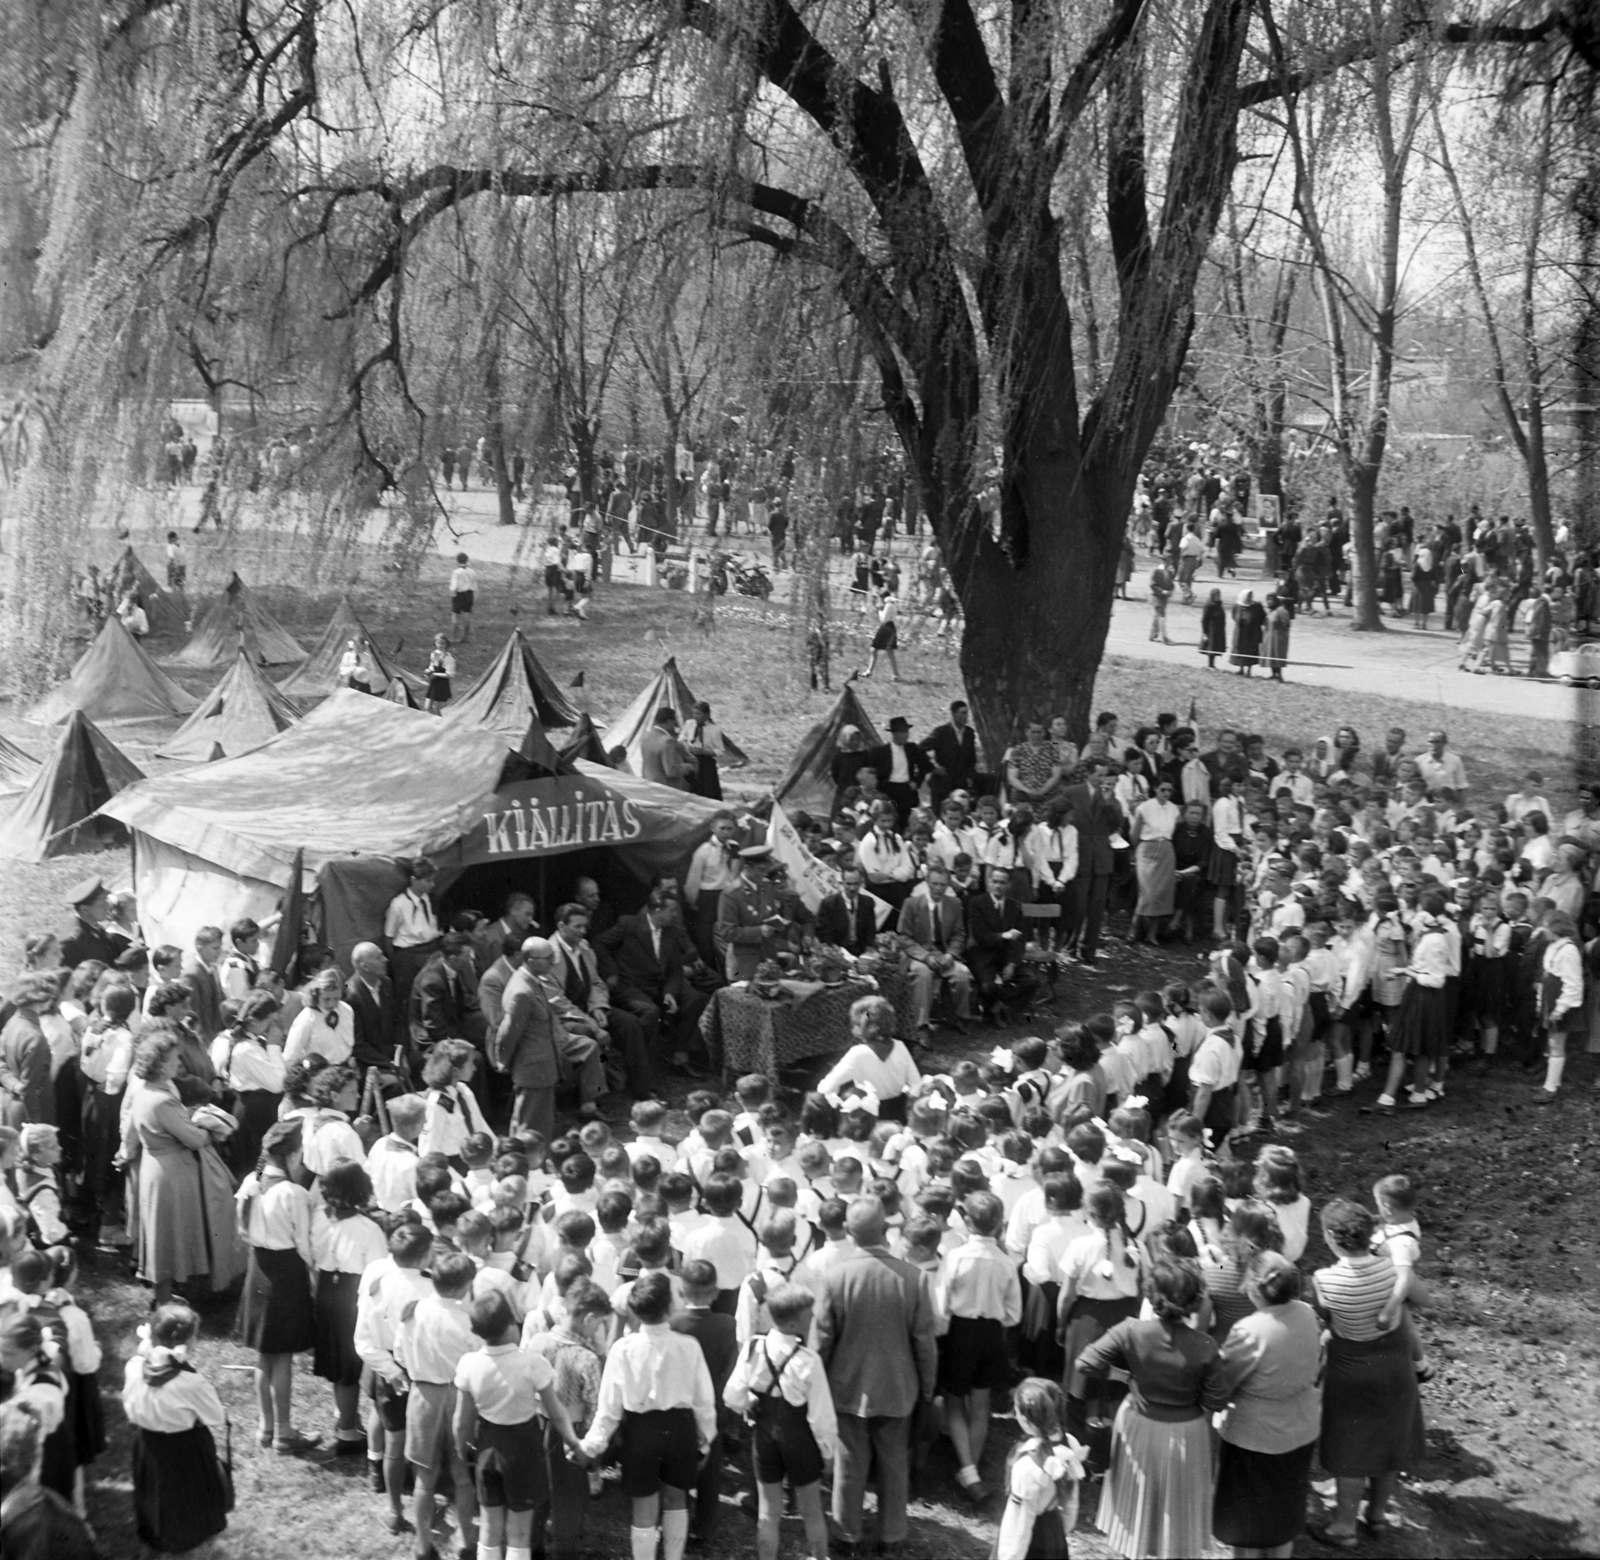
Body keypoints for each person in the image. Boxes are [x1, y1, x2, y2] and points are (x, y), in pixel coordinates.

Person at [813, 1198, 938, 1557]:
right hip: (898, 1388)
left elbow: (820, 1341)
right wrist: (927, 1386)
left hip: (846, 1386)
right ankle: (892, 1536)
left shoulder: (835, 1277)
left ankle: (846, 1535)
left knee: (849, 1464)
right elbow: (925, 1343)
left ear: (848, 1232)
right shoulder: (914, 1278)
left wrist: (815, 1387)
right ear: (885, 1229)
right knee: (895, 1463)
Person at [1075, 1257, 1223, 1559]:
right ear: (1195, 1300)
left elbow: (1084, 1363)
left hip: (1137, 1424)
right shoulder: (1206, 1345)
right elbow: (1216, 1400)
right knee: (1175, 1508)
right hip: (1186, 1433)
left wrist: (1126, 1377)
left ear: (1152, 1293)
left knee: (1135, 1502)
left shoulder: (1130, 1330)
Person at [574, 1269, 717, 1560]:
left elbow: (609, 1409)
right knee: (676, 1500)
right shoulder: (689, 1346)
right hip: (679, 1430)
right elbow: (704, 1401)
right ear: (669, 1306)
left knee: (643, 1508)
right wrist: (706, 1439)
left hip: (640, 1434)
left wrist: (591, 1445)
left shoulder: (622, 1349)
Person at [1311, 1199, 1426, 1547]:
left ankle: (1344, 1527)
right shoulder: (1394, 1270)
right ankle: (1376, 1516)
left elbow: (1326, 1319)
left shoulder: (1324, 1280)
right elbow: (1423, 1297)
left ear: (1332, 1238)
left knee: (1351, 1449)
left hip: (1351, 1371)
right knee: (1389, 1441)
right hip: (1395, 1366)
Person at [453, 1291, 584, 1560]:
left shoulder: (469, 1364)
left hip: (487, 1449)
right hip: (523, 1451)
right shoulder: (532, 1363)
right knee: (519, 1533)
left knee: (489, 1527)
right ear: (511, 1325)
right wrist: (573, 1441)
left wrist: (460, 1447)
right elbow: (557, 1412)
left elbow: (461, 1420)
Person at [1210, 1251, 1323, 1559]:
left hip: (1254, 1436)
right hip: (1300, 1427)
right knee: (1283, 1513)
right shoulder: (1306, 1313)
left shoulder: (1249, 1330)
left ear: (1255, 1288)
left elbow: (1222, 1384)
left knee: (1245, 1525)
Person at [119, 1028, 243, 1305]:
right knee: (169, 1235)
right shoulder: (162, 1100)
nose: (179, 1062)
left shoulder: (146, 1091)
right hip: (171, 1174)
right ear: (161, 1064)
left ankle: (164, 1296)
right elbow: (194, 1138)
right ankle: (164, 1300)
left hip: (157, 1168)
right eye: (175, 1058)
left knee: (162, 1236)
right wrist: (209, 1129)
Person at [723, 1281, 838, 1560]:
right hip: (800, 1439)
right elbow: (821, 1416)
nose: (813, 1317)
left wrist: (751, 1403)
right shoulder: (809, 1360)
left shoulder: (753, 1348)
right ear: (793, 1323)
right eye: (809, 1314)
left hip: (765, 1437)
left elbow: (732, 1396)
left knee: (768, 1512)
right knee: (812, 1511)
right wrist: (827, 1451)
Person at [235, 1120, 321, 1454]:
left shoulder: (251, 1182)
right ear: (293, 1154)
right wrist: (314, 1280)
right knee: (282, 1355)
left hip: (258, 1268)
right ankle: (284, 1432)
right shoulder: (294, 1194)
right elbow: (304, 1246)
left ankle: (265, 1427)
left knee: (264, 1355)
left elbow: (243, 1230)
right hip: (286, 1272)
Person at [121, 1302, 231, 1552]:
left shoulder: (134, 1367)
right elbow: (216, 1416)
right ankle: (188, 1541)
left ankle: (156, 1537)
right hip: (185, 1449)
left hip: (147, 1444)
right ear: (189, 1342)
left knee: (154, 1493)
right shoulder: (190, 1382)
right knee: (188, 1500)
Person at [939, 1190, 1022, 1500]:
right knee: (981, 1403)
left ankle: (969, 1472)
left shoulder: (956, 1257)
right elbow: (1014, 1314)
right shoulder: (1006, 1262)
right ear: (999, 1223)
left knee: (954, 1401)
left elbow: (941, 1304)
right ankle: (970, 1470)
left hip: (961, 1331)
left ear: (967, 1221)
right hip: (992, 1334)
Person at [492, 937, 606, 1142]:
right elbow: (507, 1033)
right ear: (531, 961)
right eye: (548, 957)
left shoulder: (530, 982)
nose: (553, 961)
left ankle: (521, 1155)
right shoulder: (522, 991)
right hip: (533, 1069)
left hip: (539, 1066)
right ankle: (528, 1158)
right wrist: (503, 1061)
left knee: (530, 1123)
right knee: (532, 1128)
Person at [599, 890, 707, 1069]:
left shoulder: (671, 932)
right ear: (658, 911)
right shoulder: (629, 924)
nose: (676, 915)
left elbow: (674, 970)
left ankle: (679, 1054)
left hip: (660, 985)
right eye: (672, 911)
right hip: (631, 985)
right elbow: (600, 943)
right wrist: (611, 971)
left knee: (695, 999)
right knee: (651, 1012)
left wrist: (670, 993)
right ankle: (644, 1065)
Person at [993, 1378, 1086, 1560]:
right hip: (1053, 1530)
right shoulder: (1068, 1445)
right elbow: (1071, 1497)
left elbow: (1020, 1519)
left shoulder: (1028, 1464)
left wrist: (1009, 1556)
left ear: (1025, 1419)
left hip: (1027, 1542)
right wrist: (1062, 1529)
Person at [896, 865, 974, 1035]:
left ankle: (961, 1017)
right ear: (927, 882)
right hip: (919, 955)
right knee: (923, 974)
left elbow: (959, 933)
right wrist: (925, 957)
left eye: (943, 884)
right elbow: (904, 937)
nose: (938, 888)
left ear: (948, 884)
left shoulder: (954, 903)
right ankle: (921, 1026)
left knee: (962, 974)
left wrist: (951, 954)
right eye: (935, 884)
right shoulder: (911, 904)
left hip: (943, 954)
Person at [964, 865, 1038, 1024]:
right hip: (983, 954)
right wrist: (1004, 935)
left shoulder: (1015, 906)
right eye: (995, 881)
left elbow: (1019, 939)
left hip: (1006, 955)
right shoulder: (977, 903)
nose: (998, 886)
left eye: (1002, 882)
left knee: (1031, 981)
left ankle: (1000, 1007)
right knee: (988, 987)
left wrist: (1011, 963)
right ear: (989, 882)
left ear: (1009, 885)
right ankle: (995, 1007)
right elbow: (981, 936)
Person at [384, 858, 442, 1010]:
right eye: (428, 881)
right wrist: (398, 964)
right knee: (409, 998)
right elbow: (388, 938)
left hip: (431, 950)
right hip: (409, 955)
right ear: (414, 880)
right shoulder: (399, 904)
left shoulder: (430, 898)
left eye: (433, 880)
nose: (432, 884)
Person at [1129, 777, 1180, 945]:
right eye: (1163, 789)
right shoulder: (1144, 807)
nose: (1166, 793)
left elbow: (1174, 833)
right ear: (1155, 788)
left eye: (1169, 790)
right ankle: (1133, 930)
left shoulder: (1174, 809)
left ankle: (1152, 934)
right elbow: (1134, 834)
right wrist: (1138, 851)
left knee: (1161, 893)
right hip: (1147, 851)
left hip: (1166, 851)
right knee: (1147, 893)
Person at [923, 700, 980, 808]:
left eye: (966, 713)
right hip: (942, 783)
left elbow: (971, 758)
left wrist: (969, 775)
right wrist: (933, 767)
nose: (965, 716)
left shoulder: (969, 733)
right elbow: (920, 749)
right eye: (962, 713)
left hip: (961, 783)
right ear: (953, 714)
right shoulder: (941, 732)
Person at [817, 862, 880, 956]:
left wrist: (868, 949)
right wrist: (834, 948)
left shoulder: (868, 902)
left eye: (856, 884)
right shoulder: (829, 904)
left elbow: (871, 930)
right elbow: (824, 932)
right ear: (842, 883)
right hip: (837, 951)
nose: (852, 888)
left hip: (861, 950)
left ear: (861, 883)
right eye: (848, 884)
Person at [639, 706, 695, 791]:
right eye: (674, 722)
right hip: (666, 787)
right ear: (669, 721)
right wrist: (688, 766)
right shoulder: (667, 741)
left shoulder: (645, 736)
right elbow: (671, 771)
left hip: (649, 783)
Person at [681, 700, 728, 800]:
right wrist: (687, 746)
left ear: (706, 714)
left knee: (707, 791)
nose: (695, 716)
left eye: (698, 714)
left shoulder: (714, 729)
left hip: (705, 764)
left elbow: (720, 751)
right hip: (690, 759)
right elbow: (681, 739)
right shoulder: (689, 724)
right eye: (693, 713)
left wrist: (704, 750)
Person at [1231, 588, 1266, 676]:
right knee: (1240, 650)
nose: (1249, 597)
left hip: (1252, 633)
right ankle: (1241, 669)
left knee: (1251, 651)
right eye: (1248, 596)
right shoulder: (1237, 606)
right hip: (1241, 633)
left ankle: (1249, 670)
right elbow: (1234, 616)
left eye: (1250, 596)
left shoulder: (1257, 606)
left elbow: (1262, 617)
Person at [423, 634, 456, 714]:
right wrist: (428, 672)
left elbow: (450, 675)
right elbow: (432, 666)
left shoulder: (449, 658)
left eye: (443, 643)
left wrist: (436, 674)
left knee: (438, 709)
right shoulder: (434, 654)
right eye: (438, 642)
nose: (440, 645)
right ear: (435, 643)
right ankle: (434, 720)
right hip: (434, 683)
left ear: (447, 644)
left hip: (442, 684)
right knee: (427, 707)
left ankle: (439, 721)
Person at [448, 552, 476, 643]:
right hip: (469, 594)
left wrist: (452, 593)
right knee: (467, 615)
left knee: (455, 615)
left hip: (459, 594)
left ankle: (452, 637)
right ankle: (465, 637)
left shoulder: (456, 572)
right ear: (467, 560)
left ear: (457, 561)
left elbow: (454, 586)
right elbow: (474, 585)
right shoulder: (472, 572)